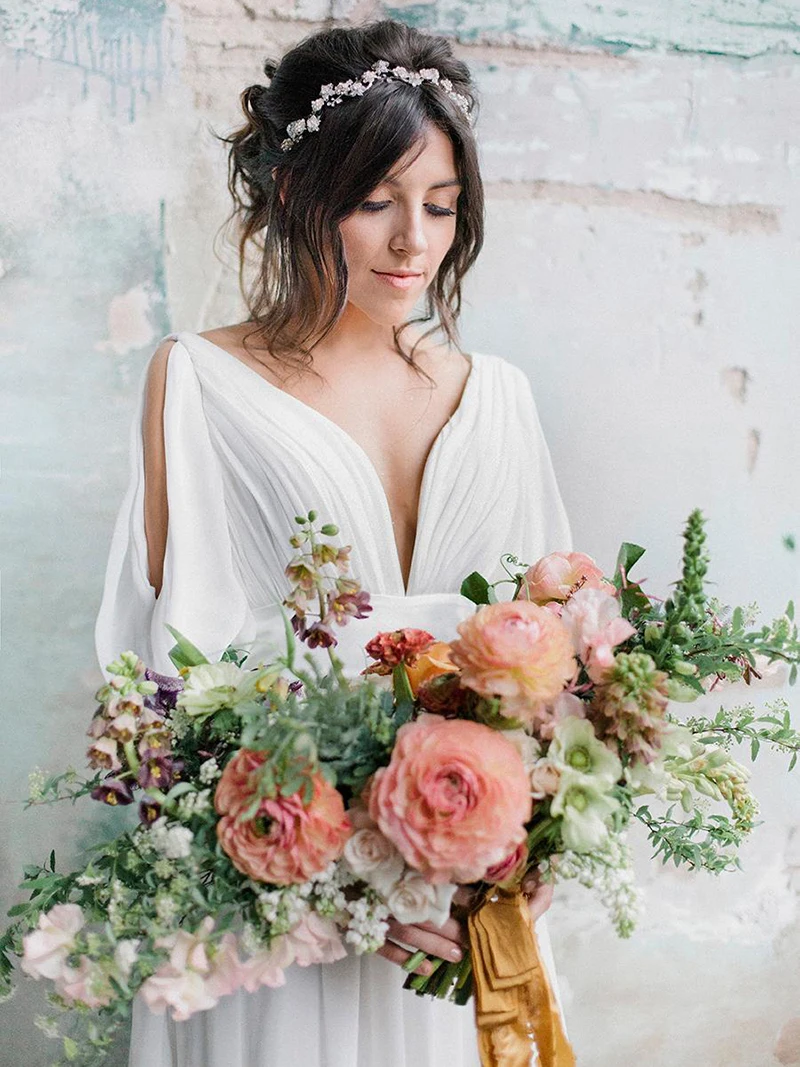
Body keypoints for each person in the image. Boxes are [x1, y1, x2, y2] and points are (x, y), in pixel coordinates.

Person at [95, 17, 573, 1067]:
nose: (413, 239)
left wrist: (530, 844)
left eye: (440, 207)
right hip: (277, 911)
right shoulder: (198, 382)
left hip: (460, 909)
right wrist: (345, 866)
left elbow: (551, 661)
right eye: (374, 203)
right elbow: (162, 677)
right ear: (294, 198)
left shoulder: (497, 397)